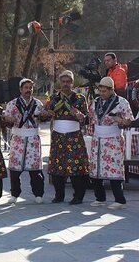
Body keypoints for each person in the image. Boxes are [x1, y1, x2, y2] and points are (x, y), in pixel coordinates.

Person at [43, 70, 89, 205]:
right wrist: (46, 113)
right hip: (58, 137)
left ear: (72, 83)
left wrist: (81, 116)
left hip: (74, 137)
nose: (65, 84)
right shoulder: (53, 98)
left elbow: (87, 119)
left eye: (68, 82)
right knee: (57, 167)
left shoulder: (79, 98)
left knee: (76, 167)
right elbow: (43, 115)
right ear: (60, 83)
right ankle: (59, 195)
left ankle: (78, 196)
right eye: (63, 82)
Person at [88, 77, 133, 209]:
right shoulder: (95, 102)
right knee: (96, 170)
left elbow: (129, 120)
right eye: (100, 91)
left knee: (114, 170)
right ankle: (100, 198)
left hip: (113, 140)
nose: (101, 93)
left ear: (112, 90)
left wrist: (119, 120)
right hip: (98, 140)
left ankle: (120, 200)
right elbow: (90, 118)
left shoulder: (121, 102)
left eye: (104, 91)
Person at [4, 78, 45, 204]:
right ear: (21, 89)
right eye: (26, 87)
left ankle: (38, 194)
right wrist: (8, 120)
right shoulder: (12, 104)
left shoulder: (38, 104)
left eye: (30, 87)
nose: (28, 90)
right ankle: (15, 194)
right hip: (18, 139)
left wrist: (44, 116)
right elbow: (7, 122)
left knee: (35, 169)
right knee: (15, 169)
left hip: (33, 138)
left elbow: (43, 119)